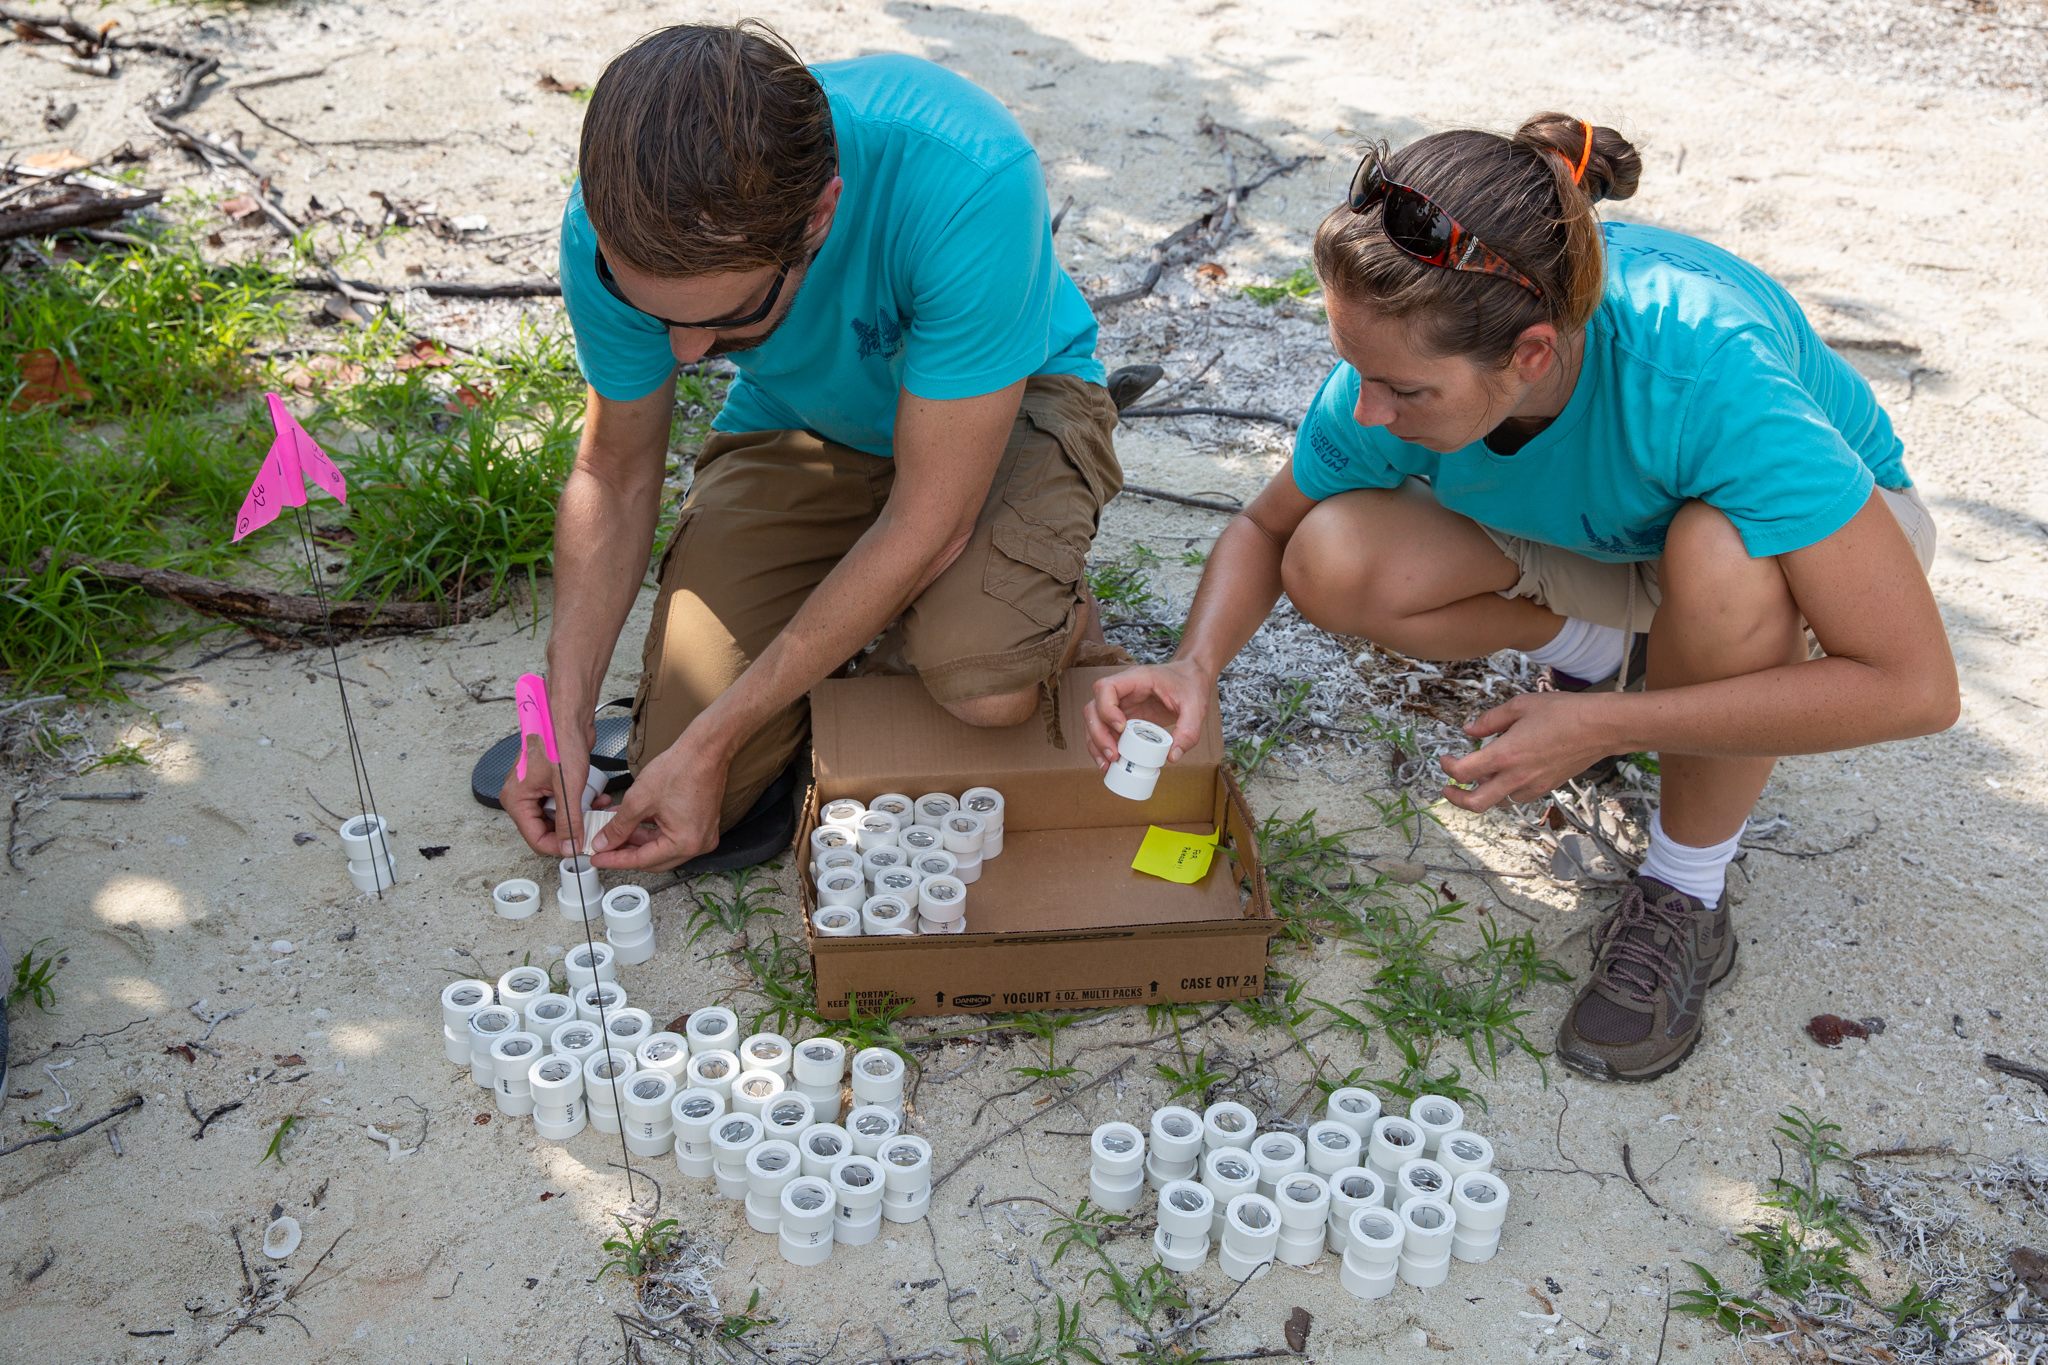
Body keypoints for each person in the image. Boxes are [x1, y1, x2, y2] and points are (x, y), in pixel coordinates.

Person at [1084, 114, 1957, 1083]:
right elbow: (1266, 529)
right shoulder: (1408, 364)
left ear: (1531, 355)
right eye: (1355, 372)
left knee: (1718, 559)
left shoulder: (1707, 371)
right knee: (1330, 554)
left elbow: (1911, 686)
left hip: (1816, 543)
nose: (1364, 412)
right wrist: (1192, 663)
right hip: (1610, 535)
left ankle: (1684, 888)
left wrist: (1608, 731)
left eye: (1403, 392)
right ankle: (1605, 657)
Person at [499, 22, 1128, 873]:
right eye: (660, 319)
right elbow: (612, 473)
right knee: (684, 787)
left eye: (728, 321)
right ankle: (887, 613)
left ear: (821, 215)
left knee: (982, 679)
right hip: (804, 418)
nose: (686, 355)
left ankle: (1029, 606)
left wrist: (725, 732)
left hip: (1008, 403)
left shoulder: (969, 174)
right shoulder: (615, 228)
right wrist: (562, 714)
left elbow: (928, 521)